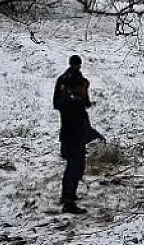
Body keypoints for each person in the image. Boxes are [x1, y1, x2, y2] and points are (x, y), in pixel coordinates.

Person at [53, 54, 104, 214]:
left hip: (76, 129)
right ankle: (68, 202)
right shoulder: (65, 81)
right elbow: (59, 103)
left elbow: (85, 103)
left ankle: (68, 195)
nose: (77, 67)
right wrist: (75, 99)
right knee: (75, 166)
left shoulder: (79, 80)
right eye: (76, 65)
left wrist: (82, 99)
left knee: (75, 166)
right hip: (71, 130)